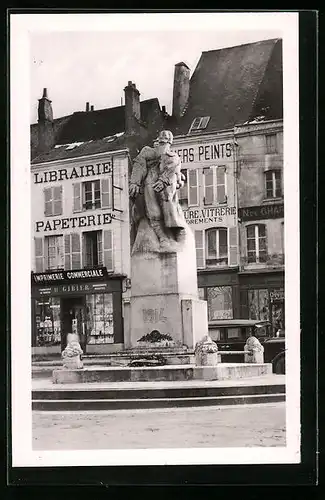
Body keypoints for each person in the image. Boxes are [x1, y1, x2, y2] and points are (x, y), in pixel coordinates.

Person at [129, 130, 186, 251]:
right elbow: (139, 165)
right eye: (161, 141)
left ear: (169, 143)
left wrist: (163, 181)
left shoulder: (173, 157)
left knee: (169, 208)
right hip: (150, 181)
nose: (162, 144)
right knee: (153, 211)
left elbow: (172, 168)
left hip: (166, 186)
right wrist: (135, 182)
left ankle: (175, 235)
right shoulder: (147, 152)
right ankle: (162, 238)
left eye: (165, 142)